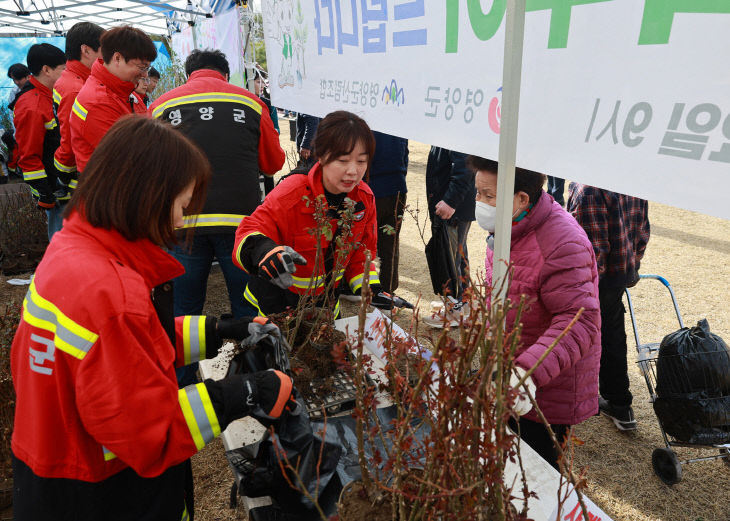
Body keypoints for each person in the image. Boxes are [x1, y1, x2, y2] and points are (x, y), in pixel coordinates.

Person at [10, 115, 297, 521]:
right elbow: (151, 433)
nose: (180, 222)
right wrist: (246, 392)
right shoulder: (112, 294)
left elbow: (130, 346)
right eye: (181, 205)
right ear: (144, 196)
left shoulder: (73, 252)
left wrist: (222, 330)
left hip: (50, 465)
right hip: (103, 491)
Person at [468, 156, 601, 469]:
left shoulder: (561, 241)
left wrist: (526, 372)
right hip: (509, 374)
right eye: (477, 193)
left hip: (545, 386)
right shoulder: (510, 225)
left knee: (534, 474)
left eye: (488, 196)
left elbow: (579, 321)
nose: (480, 203)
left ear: (522, 198)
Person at [150, 49, 285, 322]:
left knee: (182, 313)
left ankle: (183, 365)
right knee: (248, 308)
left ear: (189, 75)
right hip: (240, 225)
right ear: (225, 74)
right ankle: (252, 364)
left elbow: (149, 167)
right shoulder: (252, 103)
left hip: (183, 222)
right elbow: (272, 164)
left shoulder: (160, 106)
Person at [233, 110, 405, 317]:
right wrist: (264, 251)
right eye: (343, 160)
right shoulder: (293, 192)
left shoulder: (363, 198)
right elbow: (249, 230)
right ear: (321, 156)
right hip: (277, 303)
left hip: (326, 303)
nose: (353, 171)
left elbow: (361, 253)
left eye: (361, 161)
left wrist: (371, 290)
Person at [567, 184, 650, 432]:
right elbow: (642, 232)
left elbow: (590, 249)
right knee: (613, 337)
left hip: (595, 280)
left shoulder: (588, 188)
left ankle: (582, 400)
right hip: (619, 275)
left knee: (577, 337)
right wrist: (632, 262)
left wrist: (584, 287)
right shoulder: (631, 178)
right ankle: (620, 404)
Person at [70, 25, 155, 173]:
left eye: (147, 68)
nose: (145, 75)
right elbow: (131, 159)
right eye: (142, 67)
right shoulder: (97, 103)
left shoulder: (126, 91)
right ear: (117, 58)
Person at [12, 43, 66, 240]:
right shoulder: (31, 105)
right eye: (63, 69)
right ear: (46, 70)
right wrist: (45, 193)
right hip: (55, 190)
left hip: (62, 183)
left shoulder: (48, 95)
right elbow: (28, 155)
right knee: (62, 244)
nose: (66, 74)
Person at [53, 21, 105, 198]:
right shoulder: (76, 89)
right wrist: (64, 173)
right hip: (79, 178)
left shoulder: (72, 80)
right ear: (86, 50)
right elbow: (70, 138)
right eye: (103, 50)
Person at [425, 147, 475, 318]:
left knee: (451, 255)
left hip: (454, 207)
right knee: (458, 252)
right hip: (451, 204)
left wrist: (450, 201)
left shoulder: (456, 131)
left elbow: (465, 166)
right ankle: (461, 300)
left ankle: (456, 306)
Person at [369, 130, 409, 293]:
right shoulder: (396, 124)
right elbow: (405, 155)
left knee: (368, 241)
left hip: (375, 188)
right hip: (397, 187)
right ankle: (388, 287)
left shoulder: (370, 125)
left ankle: (373, 287)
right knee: (390, 243)